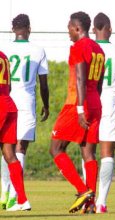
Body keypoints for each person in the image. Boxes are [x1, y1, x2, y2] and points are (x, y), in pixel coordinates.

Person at [49, 11, 105, 214]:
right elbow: (98, 82)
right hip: (95, 103)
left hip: (77, 104)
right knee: (88, 152)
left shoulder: (78, 47)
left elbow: (81, 78)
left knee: (55, 148)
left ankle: (82, 191)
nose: (68, 33)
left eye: (69, 29)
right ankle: (90, 205)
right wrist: (92, 103)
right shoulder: (99, 49)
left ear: (77, 28)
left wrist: (81, 109)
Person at [0, 14, 49, 210]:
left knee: (8, 150)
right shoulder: (38, 50)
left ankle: (7, 193)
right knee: (16, 149)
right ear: (29, 28)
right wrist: (46, 104)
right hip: (24, 103)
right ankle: (15, 196)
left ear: (13, 29)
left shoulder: (5, 50)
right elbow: (43, 84)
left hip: (6, 98)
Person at [90, 12, 115, 213]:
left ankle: (88, 197)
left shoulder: (85, 49)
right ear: (110, 28)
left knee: (88, 151)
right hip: (111, 102)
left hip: (90, 102)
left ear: (92, 29)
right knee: (107, 153)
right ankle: (101, 202)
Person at [0, 51, 31, 211]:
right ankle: (23, 200)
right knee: (9, 155)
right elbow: (9, 86)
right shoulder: (3, 56)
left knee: (10, 155)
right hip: (9, 105)